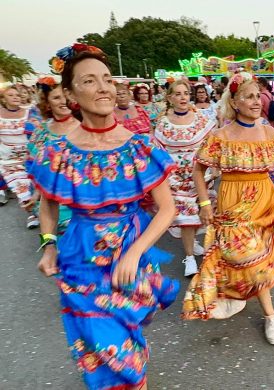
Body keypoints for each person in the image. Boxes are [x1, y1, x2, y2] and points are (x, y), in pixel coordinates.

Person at [31, 44, 179, 390]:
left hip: (128, 251)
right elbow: (49, 204)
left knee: (124, 343)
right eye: (89, 81)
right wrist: (49, 246)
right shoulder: (57, 150)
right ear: (69, 93)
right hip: (80, 257)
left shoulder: (140, 147)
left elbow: (168, 208)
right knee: (97, 345)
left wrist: (134, 252)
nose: (103, 88)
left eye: (108, 79)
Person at [182, 72, 274, 345]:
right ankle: (259, 306)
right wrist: (203, 203)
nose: (256, 101)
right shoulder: (220, 136)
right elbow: (198, 169)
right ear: (234, 103)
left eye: (257, 95)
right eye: (248, 96)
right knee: (242, 257)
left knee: (258, 259)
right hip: (233, 200)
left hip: (265, 200)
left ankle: (266, 312)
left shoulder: (270, 132)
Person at [154, 80, 217, 276]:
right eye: (178, 94)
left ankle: (194, 244)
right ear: (170, 98)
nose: (183, 97)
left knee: (202, 213)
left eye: (185, 93)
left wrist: (214, 166)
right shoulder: (163, 122)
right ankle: (189, 257)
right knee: (186, 218)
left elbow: (212, 144)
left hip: (199, 174)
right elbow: (159, 151)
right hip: (176, 178)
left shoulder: (200, 118)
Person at [27, 77, 80, 235]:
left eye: (66, 96)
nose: (63, 101)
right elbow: (33, 167)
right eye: (56, 97)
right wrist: (36, 193)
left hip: (82, 199)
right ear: (47, 103)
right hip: (52, 201)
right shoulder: (41, 131)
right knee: (58, 246)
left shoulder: (85, 127)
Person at [0, 85, 41, 228]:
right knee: (21, 189)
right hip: (8, 160)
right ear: (4, 99)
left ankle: (38, 213)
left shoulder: (30, 112)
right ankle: (32, 214)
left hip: (29, 158)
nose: (16, 97)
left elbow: (39, 133)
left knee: (33, 186)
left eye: (17, 95)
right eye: (11, 95)